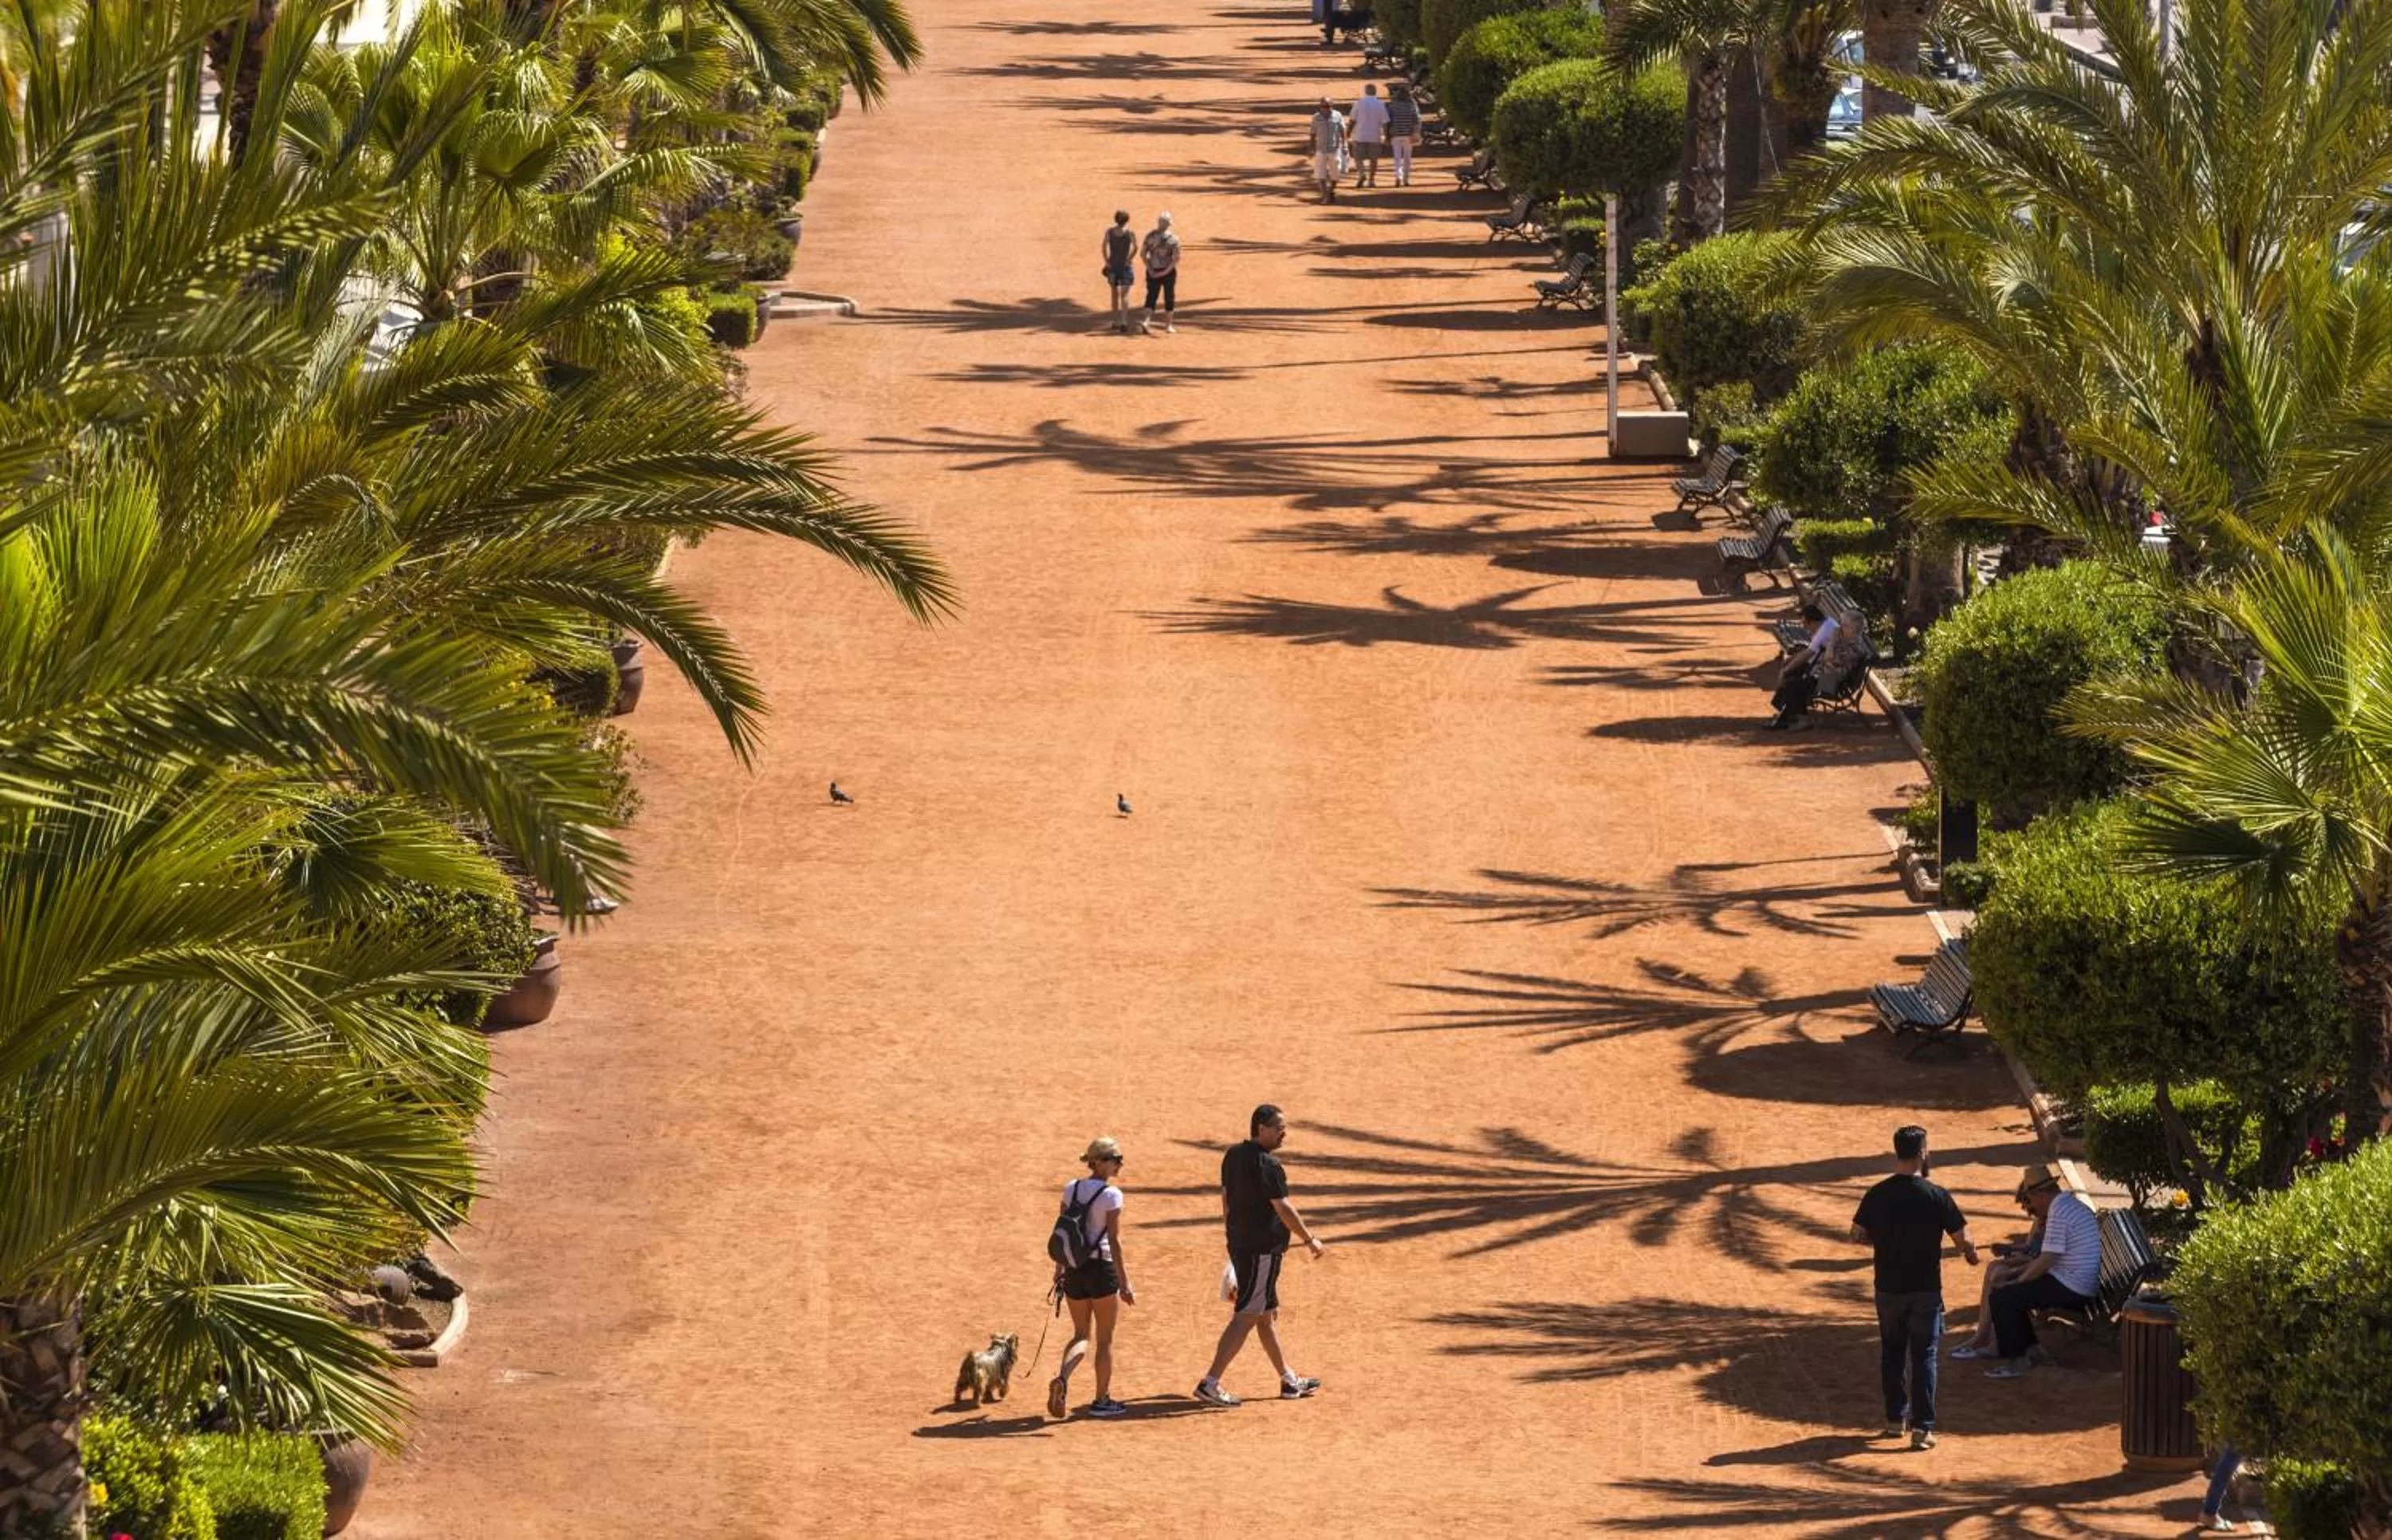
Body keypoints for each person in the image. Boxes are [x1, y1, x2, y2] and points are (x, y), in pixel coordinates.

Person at [1850, 1124, 1978, 1450]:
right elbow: (1962, 1239)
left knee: (1892, 1353)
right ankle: (1923, 1429)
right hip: (1925, 1290)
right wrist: (1971, 1254)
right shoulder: (1936, 1195)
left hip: (1887, 1288)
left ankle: (1895, 1420)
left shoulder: (1877, 1193)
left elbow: (1857, 1234)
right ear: (1922, 1153)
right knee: (1924, 1357)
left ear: (1897, 1152)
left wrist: (1882, 1241)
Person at [1194, 1104, 1327, 1408]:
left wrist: (1232, 1238)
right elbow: (1283, 1208)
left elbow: (1226, 1201)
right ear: (1261, 1128)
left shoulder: (1232, 1156)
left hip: (1243, 1245)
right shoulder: (1268, 1165)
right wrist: (1309, 1240)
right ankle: (1210, 1382)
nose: (1284, 1133)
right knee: (1247, 1316)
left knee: (1266, 1317)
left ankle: (1289, 1380)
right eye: (1279, 1128)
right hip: (1261, 1252)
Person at [1984, 1165, 2101, 1379]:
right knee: (2011, 1295)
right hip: (2076, 1281)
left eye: (2030, 1199)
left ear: (2040, 1194)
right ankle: (2034, 1351)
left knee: (2002, 1298)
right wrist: (2019, 1277)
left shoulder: (2059, 1212)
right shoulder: (2067, 1205)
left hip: (2073, 1287)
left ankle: (2017, 1361)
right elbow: (2046, 1259)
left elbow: (2046, 1260)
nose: (2032, 1207)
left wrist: (2018, 1280)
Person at [1047, 1136, 1135, 1420]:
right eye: (1116, 1160)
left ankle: (1063, 1378)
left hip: (1074, 1268)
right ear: (1100, 1162)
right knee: (1105, 1340)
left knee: (1081, 1334)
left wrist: (1060, 1269)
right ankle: (1101, 1400)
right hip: (1101, 1270)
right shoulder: (1112, 1195)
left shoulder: (1071, 1189)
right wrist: (1124, 1282)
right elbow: (1114, 1241)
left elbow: (1062, 1232)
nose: (1120, 1165)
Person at [1948, 1177, 2043, 1359]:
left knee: (1999, 1274)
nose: (2028, 1211)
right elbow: (2029, 1247)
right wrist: (2008, 1248)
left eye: (2027, 1205)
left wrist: (2016, 1265)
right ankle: (1981, 1335)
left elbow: (2043, 1258)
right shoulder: (2040, 1220)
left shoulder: (2053, 1221)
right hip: (2031, 1261)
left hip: (2039, 1268)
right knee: (1994, 1267)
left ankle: (1989, 1339)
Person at [1766, 602, 1847, 731]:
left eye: (1805, 624)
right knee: (1794, 672)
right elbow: (1810, 652)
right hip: (1828, 672)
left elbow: (1808, 653)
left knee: (1793, 682)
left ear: (1813, 622)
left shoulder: (1824, 631)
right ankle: (1786, 712)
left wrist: (1784, 671)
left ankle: (1801, 719)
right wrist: (1791, 663)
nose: (1805, 627)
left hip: (1830, 680)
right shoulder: (1828, 624)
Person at [1138, 212, 1180, 335]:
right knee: (1169, 297)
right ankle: (1169, 325)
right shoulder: (1174, 239)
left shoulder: (1150, 236)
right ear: (1169, 224)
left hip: (1153, 270)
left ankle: (1146, 321)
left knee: (1151, 296)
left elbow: (1143, 254)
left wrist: (1150, 268)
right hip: (1168, 272)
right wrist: (1165, 272)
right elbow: (1176, 259)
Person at [1100, 210, 1137, 333]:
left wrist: (1107, 261)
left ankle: (1115, 321)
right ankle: (1124, 322)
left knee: (1114, 294)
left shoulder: (1110, 232)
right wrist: (1129, 259)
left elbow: (1104, 247)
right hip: (1125, 267)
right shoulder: (1130, 233)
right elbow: (1136, 247)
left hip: (1113, 267)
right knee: (1125, 295)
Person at [1347, 83, 1389, 189]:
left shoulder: (1359, 103)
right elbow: (1385, 122)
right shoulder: (1380, 104)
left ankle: (1361, 174)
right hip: (1375, 135)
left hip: (1360, 135)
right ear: (1375, 92)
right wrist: (1386, 135)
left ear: (1366, 92)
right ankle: (1371, 180)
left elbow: (1352, 120)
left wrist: (1348, 132)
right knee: (1374, 159)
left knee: (1358, 157)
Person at [1308, 97, 1346, 204]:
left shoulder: (1338, 115)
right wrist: (1311, 148)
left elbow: (1342, 130)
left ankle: (1331, 191)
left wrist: (1345, 145)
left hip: (1334, 148)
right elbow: (1313, 133)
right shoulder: (1316, 117)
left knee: (1336, 173)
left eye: (1328, 106)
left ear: (1332, 106)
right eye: (1323, 106)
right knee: (1320, 174)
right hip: (1321, 149)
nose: (1325, 109)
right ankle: (1325, 196)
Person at [1385, 83, 1422, 187]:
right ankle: (1406, 179)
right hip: (1408, 134)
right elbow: (1417, 120)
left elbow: (1388, 121)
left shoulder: (1392, 106)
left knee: (1397, 158)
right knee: (1407, 158)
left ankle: (1398, 176)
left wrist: (1387, 135)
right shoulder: (1412, 106)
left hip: (1395, 134)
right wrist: (1417, 132)